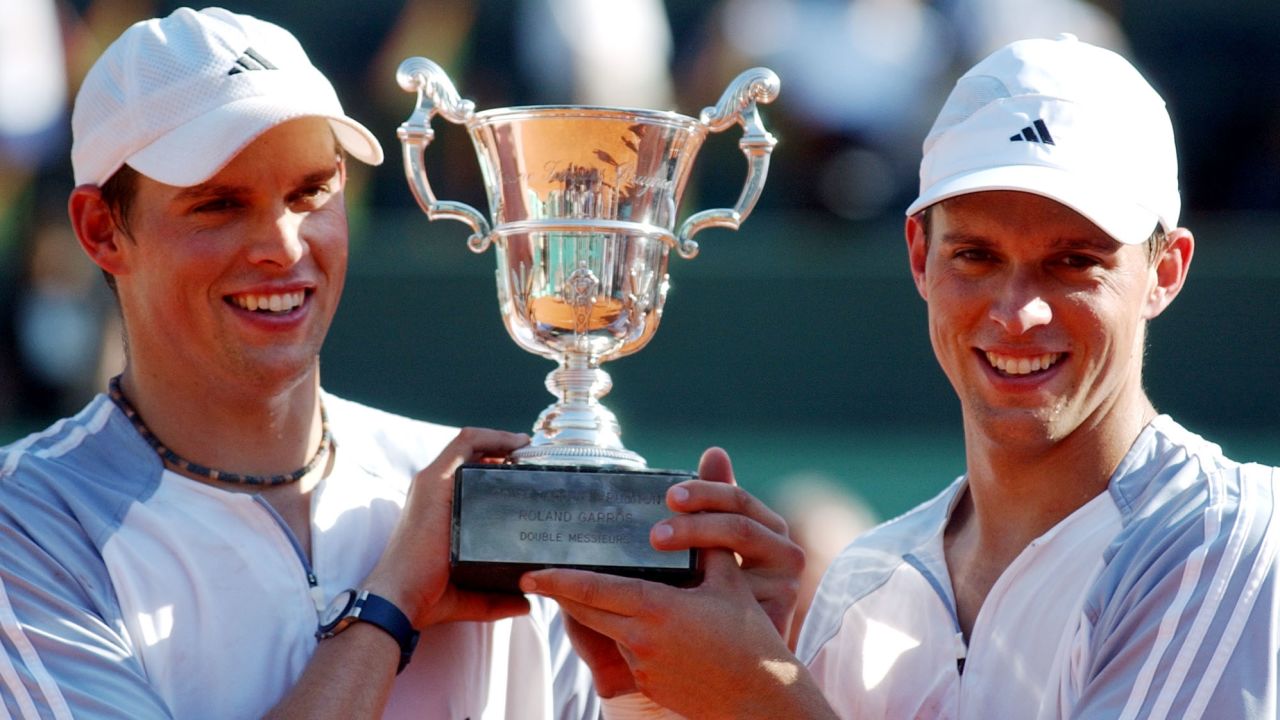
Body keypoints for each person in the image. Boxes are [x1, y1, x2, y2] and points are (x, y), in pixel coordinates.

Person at [0, 8, 801, 718]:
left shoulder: (485, 498)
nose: (284, 245)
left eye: (313, 193)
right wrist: (388, 610)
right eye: (219, 204)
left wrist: (711, 683)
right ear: (102, 230)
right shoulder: (27, 524)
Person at [524, 34, 1280, 718]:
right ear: (920, 256)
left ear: (1166, 271)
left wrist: (754, 696)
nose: (1017, 315)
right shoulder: (864, 581)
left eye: (1074, 262)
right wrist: (659, 697)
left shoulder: (1236, 536)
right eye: (975, 256)